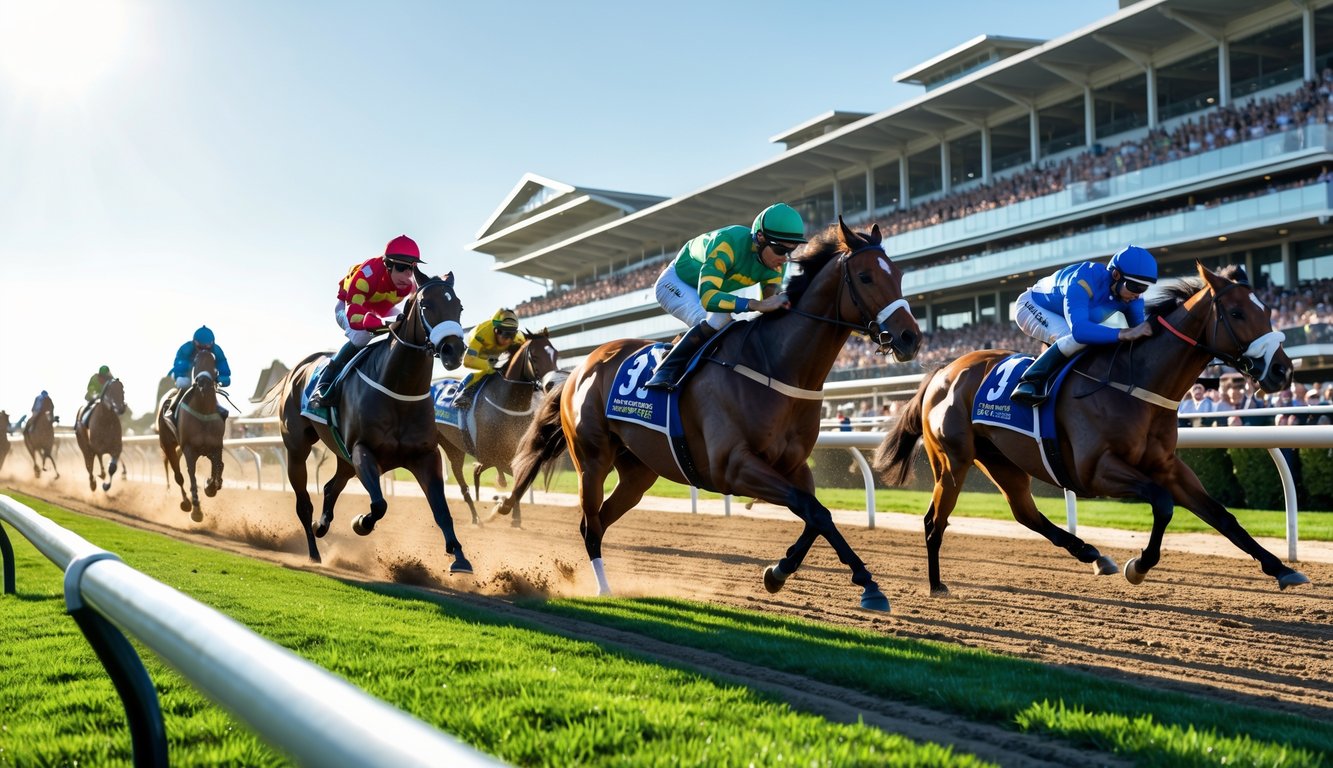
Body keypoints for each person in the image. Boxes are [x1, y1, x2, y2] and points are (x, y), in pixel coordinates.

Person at [645, 202, 806, 390]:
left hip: (704, 290)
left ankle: (679, 346)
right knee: (721, 320)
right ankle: (664, 370)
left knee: (728, 327)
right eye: (780, 250)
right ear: (760, 238)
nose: (785, 258)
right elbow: (708, 298)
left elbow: (771, 305)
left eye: (791, 250)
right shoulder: (728, 242)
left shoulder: (776, 263)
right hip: (675, 283)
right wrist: (755, 304)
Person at [1010, 245, 1159, 405]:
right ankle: (1028, 382)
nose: (1138, 293)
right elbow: (1079, 331)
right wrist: (1122, 333)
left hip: (1066, 316)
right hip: (1032, 305)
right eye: (1135, 286)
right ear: (1116, 275)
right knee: (1075, 339)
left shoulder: (1133, 298)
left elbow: (1141, 335)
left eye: (1144, 287)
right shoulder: (1084, 280)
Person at [309, 235, 423, 409]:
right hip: (350, 306)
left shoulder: (409, 284)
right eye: (401, 267)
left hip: (380, 307)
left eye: (412, 268)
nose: (407, 274)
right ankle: (324, 384)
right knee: (361, 336)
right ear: (388, 265)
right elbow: (354, 316)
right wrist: (375, 323)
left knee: (405, 325)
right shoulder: (366, 275)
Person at [453, 308, 525, 412]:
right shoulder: (480, 334)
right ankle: (466, 393)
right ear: (496, 331)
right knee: (488, 370)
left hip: (499, 354)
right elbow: (467, 361)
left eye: (512, 334)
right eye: (505, 335)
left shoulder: (519, 338)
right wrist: (489, 365)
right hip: (480, 354)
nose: (509, 339)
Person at [165, 326, 232, 415]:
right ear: (194, 342)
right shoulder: (186, 348)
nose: (204, 348)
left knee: (210, 386)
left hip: (207, 377)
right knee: (183, 383)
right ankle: (174, 407)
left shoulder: (217, 350)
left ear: (212, 343)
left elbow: (223, 366)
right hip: (186, 374)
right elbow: (179, 365)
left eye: (207, 346)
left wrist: (223, 377)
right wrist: (183, 374)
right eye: (200, 346)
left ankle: (216, 406)